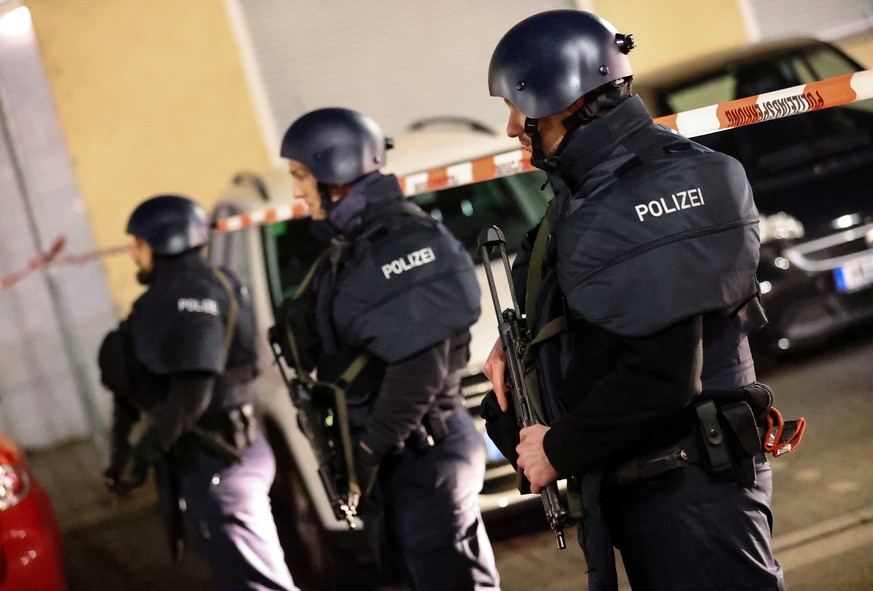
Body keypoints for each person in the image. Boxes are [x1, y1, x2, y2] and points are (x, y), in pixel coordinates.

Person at [482, 9, 787, 591]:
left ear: (562, 99)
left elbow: (662, 375)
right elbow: (600, 292)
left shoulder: (644, 189)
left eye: (514, 107)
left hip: (690, 493)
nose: (510, 128)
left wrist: (560, 448)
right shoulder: (603, 182)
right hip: (653, 485)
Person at [277, 107, 501, 591]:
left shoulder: (397, 239)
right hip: (406, 456)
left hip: (425, 453)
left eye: (300, 176)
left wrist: (366, 448)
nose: (297, 191)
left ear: (332, 170)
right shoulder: (357, 241)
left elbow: (419, 369)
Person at [98, 194, 299, 591]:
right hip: (238, 446)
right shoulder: (220, 279)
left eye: (136, 243)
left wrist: (144, 454)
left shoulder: (179, 297)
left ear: (162, 241)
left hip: (218, 459)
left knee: (258, 583)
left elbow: (193, 391)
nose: (132, 253)